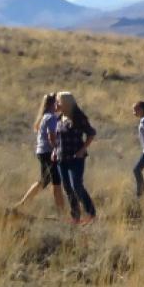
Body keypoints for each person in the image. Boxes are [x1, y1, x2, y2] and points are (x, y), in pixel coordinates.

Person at [12, 93, 65, 211]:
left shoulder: (46, 116)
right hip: (49, 152)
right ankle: (62, 212)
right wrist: (56, 151)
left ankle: (22, 204)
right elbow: (52, 137)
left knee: (44, 181)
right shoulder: (51, 118)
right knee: (56, 183)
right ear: (54, 103)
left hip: (41, 151)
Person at [53, 92, 97, 225]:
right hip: (61, 157)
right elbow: (58, 138)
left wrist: (82, 149)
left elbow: (91, 133)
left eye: (58, 101)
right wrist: (55, 150)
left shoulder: (79, 117)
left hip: (76, 158)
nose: (56, 104)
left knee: (76, 185)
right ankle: (75, 216)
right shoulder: (59, 118)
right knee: (67, 187)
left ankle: (91, 213)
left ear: (65, 103)